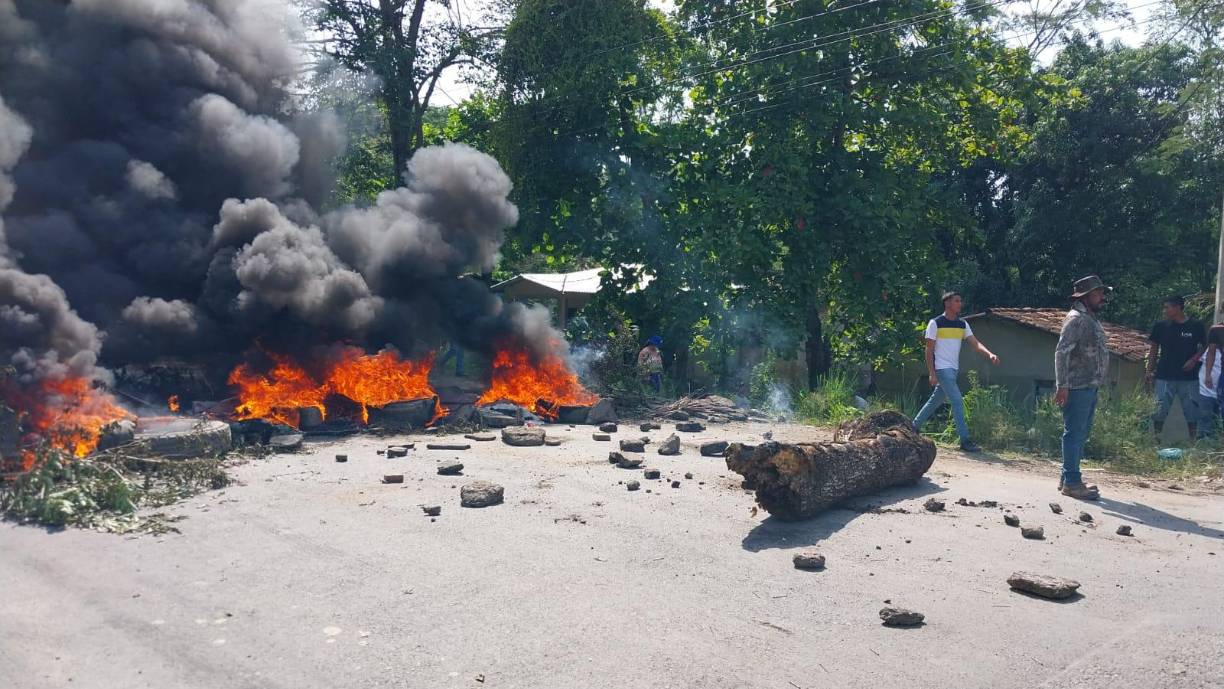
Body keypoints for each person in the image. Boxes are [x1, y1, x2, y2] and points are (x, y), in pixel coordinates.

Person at [912, 291, 1000, 452]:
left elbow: (975, 343)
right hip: (942, 369)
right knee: (958, 401)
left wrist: (989, 354)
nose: (960, 304)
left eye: (960, 301)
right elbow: (929, 349)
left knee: (935, 400)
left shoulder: (962, 324)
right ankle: (965, 441)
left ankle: (913, 427)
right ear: (947, 303)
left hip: (953, 369)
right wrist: (932, 372)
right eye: (957, 301)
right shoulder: (935, 323)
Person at [1053, 275, 1111, 500]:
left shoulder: (1090, 318)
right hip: (1077, 385)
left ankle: (1067, 478)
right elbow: (1062, 352)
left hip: (1089, 384)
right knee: (1074, 434)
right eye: (1098, 293)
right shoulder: (1076, 319)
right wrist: (1062, 385)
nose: (1102, 297)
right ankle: (1072, 483)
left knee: (1080, 433)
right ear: (1086, 296)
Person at [1147, 295, 1205, 438]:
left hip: (1189, 377)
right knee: (1160, 409)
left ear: (1178, 307)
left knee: (1192, 411)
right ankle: (1157, 439)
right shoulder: (1160, 326)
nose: (1164, 311)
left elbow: (1205, 346)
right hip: (1164, 375)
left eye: (1167, 307)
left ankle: (1193, 442)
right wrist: (1149, 371)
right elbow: (1153, 349)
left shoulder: (1196, 325)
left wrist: (1194, 360)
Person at [1197, 324, 1224, 437]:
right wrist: (1207, 376)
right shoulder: (1216, 331)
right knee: (1206, 414)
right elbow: (1210, 354)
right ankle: (1204, 439)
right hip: (1210, 386)